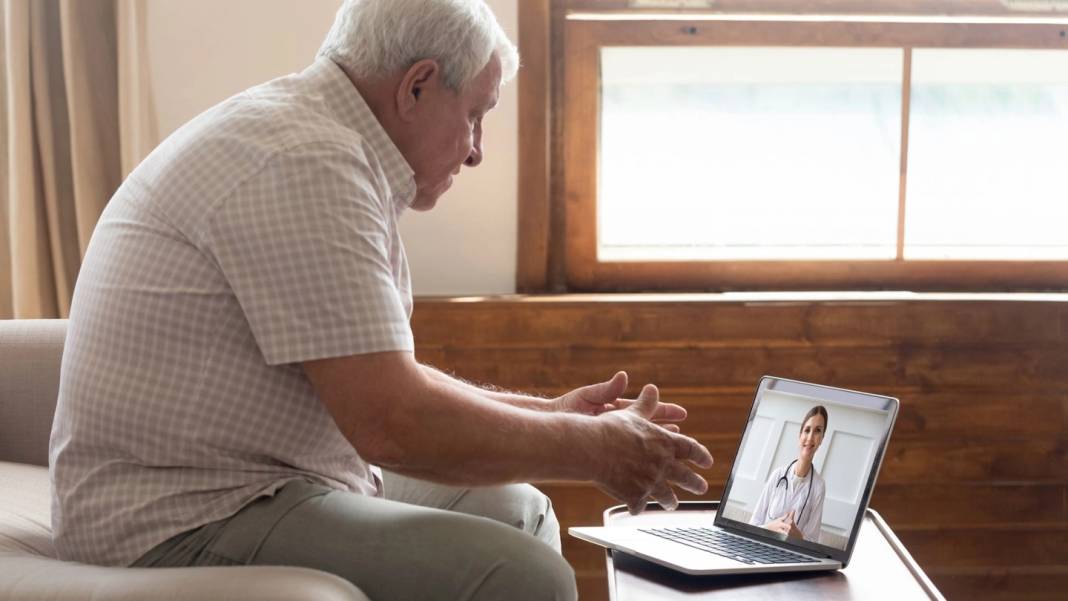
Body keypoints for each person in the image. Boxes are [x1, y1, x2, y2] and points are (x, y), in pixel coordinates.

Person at [47, 1, 713, 599]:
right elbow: (392, 420)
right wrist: (591, 447)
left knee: (518, 507)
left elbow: (381, 377)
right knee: (522, 574)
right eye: (476, 115)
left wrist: (553, 415)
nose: (478, 150)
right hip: (177, 514)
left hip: (255, 475)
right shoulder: (306, 163)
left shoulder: (314, 138)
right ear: (417, 84)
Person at [748, 406, 828, 543]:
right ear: (800, 435)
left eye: (817, 431)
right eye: (807, 430)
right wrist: (770, 528)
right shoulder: (777, 475)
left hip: (791, 554)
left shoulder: (819, 486)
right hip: (761, 546)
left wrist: (798, 537)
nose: (810, 437)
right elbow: (752, 525)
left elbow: (813, 541)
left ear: (821, 439)